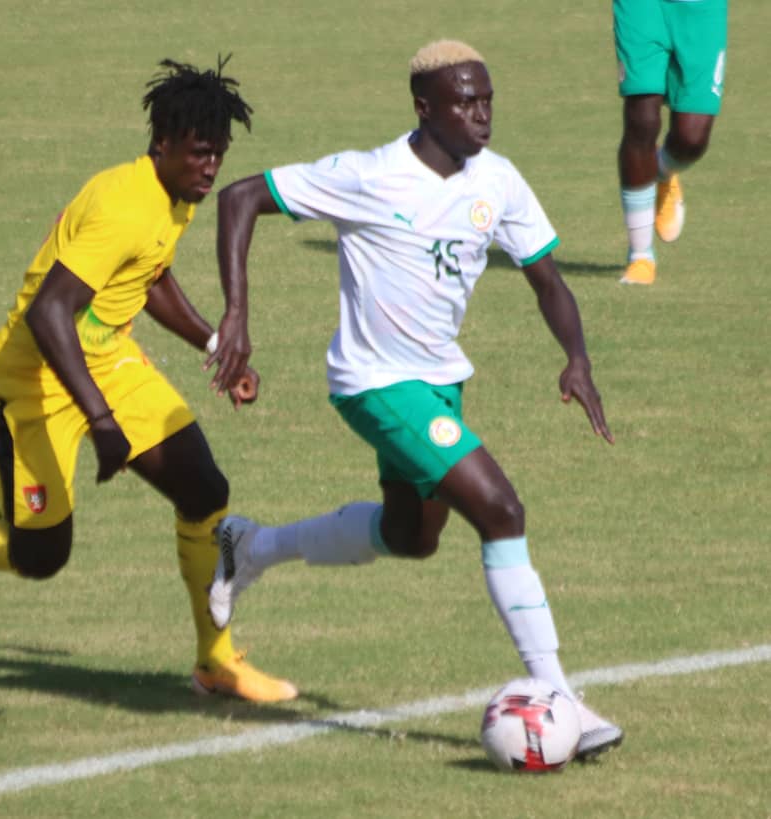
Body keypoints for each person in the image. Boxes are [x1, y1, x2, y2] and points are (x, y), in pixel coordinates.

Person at [205, 39, 624, 757]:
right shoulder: (369, 175)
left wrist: (576, 358)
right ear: (424, 108)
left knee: (412, 537)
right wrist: (236, 313)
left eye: (487, 99)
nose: (482, 114)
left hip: (440, 382)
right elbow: (240, 197)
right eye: (466, 101)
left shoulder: (499, 179)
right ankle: (559, 693)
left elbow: (547, 279)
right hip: (375, 382)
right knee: (502, 509)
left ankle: (254, 547)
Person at [0, 57, 298, 703]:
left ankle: (216, 661)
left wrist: (217, 345)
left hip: (106, 359)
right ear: (163, 144)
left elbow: (148, 273)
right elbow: (51, 312)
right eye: (199, 153)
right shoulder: (122, 205)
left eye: (219, 153)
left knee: (203, 487)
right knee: (40, 555)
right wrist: (102, 421)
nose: (210, 167)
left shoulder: (172, 194)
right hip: (30, 380)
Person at [614, 0, 727, 285]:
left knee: (692, 138)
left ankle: (662, 172)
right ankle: (640, 257)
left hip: (701, 9)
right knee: (641, 116)